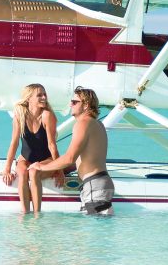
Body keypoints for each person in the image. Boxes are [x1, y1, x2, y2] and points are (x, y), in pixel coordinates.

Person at [32, 87, 112, 216]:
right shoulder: (97, 124)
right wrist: (64, 169)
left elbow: (69, 158)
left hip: (94, 185)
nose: (70, 104)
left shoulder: (83, 123)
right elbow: (87, 158)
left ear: (86, 105)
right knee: (96, 232)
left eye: (74, 102)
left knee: (93, 233)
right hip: (99, 183)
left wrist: (41, 167)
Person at [1, 84, 57, 216]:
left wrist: (58, 169)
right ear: (29, 99)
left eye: (44, 94)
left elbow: (51, 145)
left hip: (46, 159)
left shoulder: (46, 115)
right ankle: (25, 214)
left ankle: (37, 215)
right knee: (22, 172)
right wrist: (7, 169)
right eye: (39, 95)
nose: (44, 97)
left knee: (33, 172)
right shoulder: (20, 116)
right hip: (25, 159)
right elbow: (14, 143)